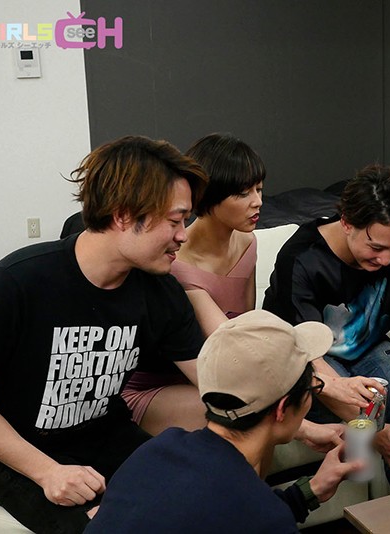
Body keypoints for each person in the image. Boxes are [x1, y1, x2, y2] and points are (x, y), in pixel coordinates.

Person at [0, 136, 208, 533]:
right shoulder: (17, 284)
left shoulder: (159, 291)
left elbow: (211, 378)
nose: (183, 235)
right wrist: (48, 472)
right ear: (123, 215)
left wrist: (294, 422)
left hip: (105, 436)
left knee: (201, 500)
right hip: (19, 453)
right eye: (174, 221)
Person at [124, 132, 342, 451]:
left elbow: (246, 327)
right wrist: (323, 392)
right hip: (165, 384)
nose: (258, 201)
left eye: (259, 189)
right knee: (244, 420)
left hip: (221, 375)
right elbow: (231, 349)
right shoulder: (177, 265)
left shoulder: (247, 243)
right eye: (243, 193)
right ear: (208, 197)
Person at [85, 310, 361, 533]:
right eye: (312, 388)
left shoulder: (155, 451)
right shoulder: (264, 517)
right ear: (282, 409)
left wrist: (310, 491)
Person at [263, 165, 390, 492]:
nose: (386, 260)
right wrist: (377, 432)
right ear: (347, 222)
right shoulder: (301, 258)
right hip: (310, 356)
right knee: (360, 399)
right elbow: (309, 356)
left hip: (365, 344)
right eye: (376, 248)